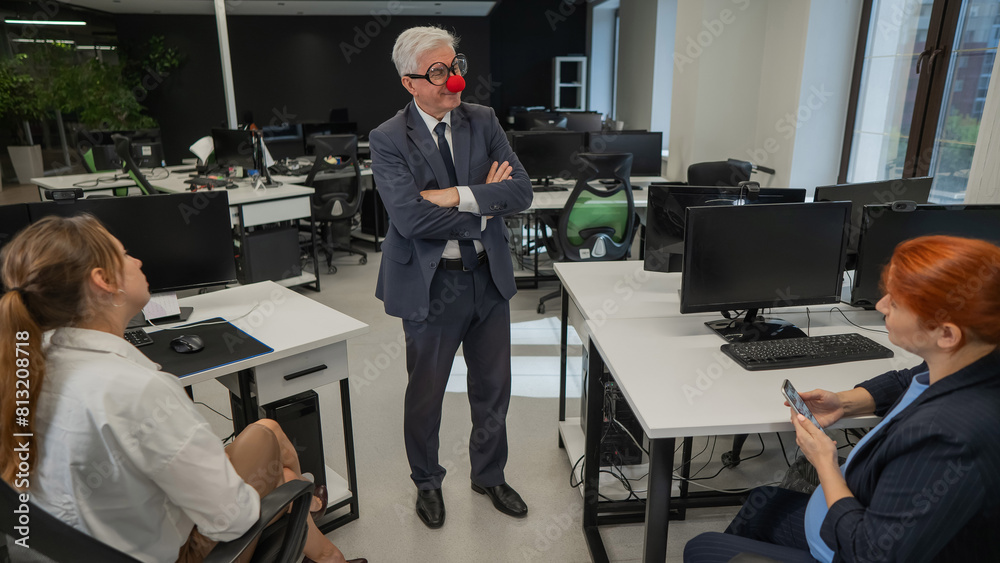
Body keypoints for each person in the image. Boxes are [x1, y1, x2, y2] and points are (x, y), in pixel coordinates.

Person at [0, 215, 364, 563]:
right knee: (270, 444)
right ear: (103, 281)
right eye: (125, 253)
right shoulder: (139, 389)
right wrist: (275, 491)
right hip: (170, 553)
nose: (138, 259)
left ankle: (327, 551)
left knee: (265, 434)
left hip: (99, 541)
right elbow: (234, 520)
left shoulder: (23, 366)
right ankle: (314, 525)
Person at [684, 235, 1000, 562]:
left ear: (947, 334)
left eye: (896, 303)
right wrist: (843, 403)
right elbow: (907, 378)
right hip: (853, 514)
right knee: (761, 503)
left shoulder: (949, 440)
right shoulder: (977, 355)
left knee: (702, 548)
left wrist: (825, 463)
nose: (881, 305)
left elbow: (872, 554)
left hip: (852, 547)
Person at [369, 25, 534, 529]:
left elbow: (522, 193)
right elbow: (410, 220)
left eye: (456, 66)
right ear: (409, 82)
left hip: (488, 277)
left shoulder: (481, 120)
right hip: (430, 283)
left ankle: (488, 474)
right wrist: (484, 201)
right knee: (427, 392)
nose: (453, 82)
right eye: (438, 72)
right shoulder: (387, 138)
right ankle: (427, 481)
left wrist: (452, 195)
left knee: (494, 388)